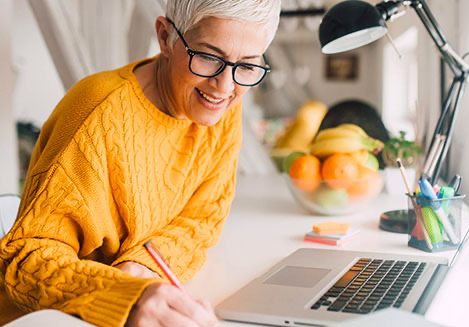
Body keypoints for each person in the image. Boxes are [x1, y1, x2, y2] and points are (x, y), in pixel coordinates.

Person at [0, 1, 281, 326]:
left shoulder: (222, 107)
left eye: (247, 66)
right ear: (164, 37)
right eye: (207, 57)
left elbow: (202, 219)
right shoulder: (98, 113)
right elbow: (26, 260)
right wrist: (123, 296)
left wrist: (143, 265)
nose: (225, 87)